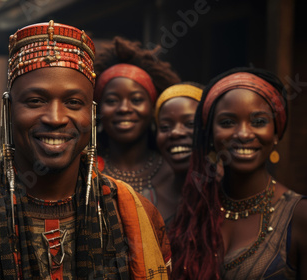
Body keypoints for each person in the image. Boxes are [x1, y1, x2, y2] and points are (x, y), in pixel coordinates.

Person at [0, 20, 171, 279]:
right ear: (9, 109)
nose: (56, 118)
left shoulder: (135, 214)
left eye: (74, 103)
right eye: (36, 101)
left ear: (92, 113)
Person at [169, 67, 307, 279]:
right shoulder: (192, 212)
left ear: (276, 133)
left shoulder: (298, 216)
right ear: (211, 134)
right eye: (227, 122)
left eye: (259, 122)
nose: (243, 133)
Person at [94, 37, 181, 219]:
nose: (124, 108)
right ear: (98, 110)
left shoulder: (177, 171)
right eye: (111, 101)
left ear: (153, 110)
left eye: (136, 100)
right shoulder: (87, 173)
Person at [154, 83, 203, 225]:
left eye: (190, 124)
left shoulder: (232, 194)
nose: (175, 132)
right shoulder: (148, 198)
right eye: (165, 127)